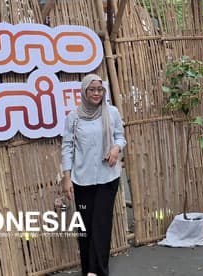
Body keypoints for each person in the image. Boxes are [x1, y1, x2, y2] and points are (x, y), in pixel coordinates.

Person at [61, 74, 126, 276]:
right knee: (86, 227)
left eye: (100, 89)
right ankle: (88, 270)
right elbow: (67, 147)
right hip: (82, 179)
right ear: (84, 91)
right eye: (92, 89)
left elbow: (120, 137)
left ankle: (97, 272)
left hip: (108, 178)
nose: (97, 93)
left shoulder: (112, 112)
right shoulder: (74, 117)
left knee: (101, 225)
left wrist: (116, 148)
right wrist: (67, 177)